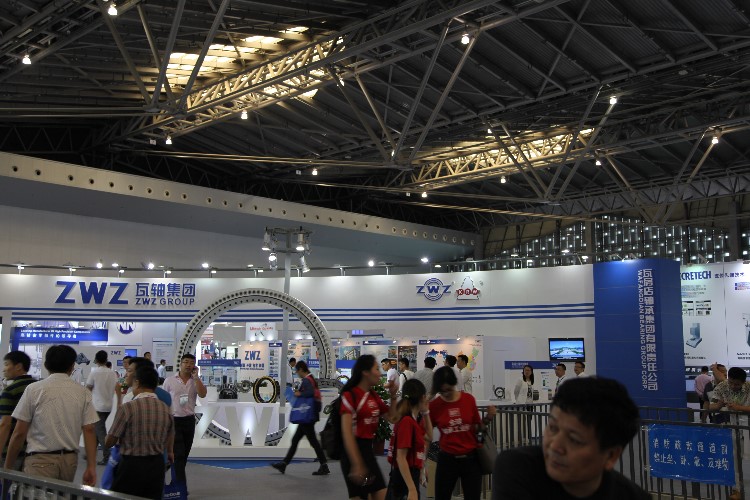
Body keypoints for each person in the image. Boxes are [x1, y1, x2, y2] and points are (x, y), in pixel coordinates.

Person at [492, 377, 650, 499]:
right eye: (553, 428)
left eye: (574, 440)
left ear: (611, 456)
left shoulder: (633, 497)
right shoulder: (516, 468)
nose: (555, 446)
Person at [4, 345, 99, 486]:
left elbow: (19, 432)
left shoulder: (34, 389)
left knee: (35, 495)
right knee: (62, 495)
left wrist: (8, 467)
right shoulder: (83, 392)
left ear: (46, 365)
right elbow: (89, 429)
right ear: (72, 366)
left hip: (39, 460)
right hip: (69, 461)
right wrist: (91, 466)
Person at [105, 365, 174, 499]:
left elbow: (109, 442)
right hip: (157, 465)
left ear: (137, 382)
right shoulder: (165, 409)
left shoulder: (127, 408)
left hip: (131, 465)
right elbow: (170, 435)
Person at [429, 366, 496, 500]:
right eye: (442, 391)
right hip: (447, 459)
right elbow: (426, 432)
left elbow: (477, 428)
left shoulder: (468, 400)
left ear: (454, 384)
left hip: (470, 458)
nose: (445, 394)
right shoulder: (435, 405)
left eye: (448, 389)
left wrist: (488, 417)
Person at [341, 355, 398, 500]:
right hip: (352, 453)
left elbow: (392, 418)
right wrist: (356, 464)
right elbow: (347, 434)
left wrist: (393, 397)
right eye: (377, 369)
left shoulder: (373, 395)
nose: (380, 373)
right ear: (366, 372)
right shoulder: (350, 395)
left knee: (381, 493)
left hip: (368, 452)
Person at [271, 361, 329, 475]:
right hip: (309, 415)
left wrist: (299, 394)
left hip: (306, 416)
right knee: (297, 440)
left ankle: (324, 465)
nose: (297, 373)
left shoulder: (307, 380)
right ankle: (284, 464)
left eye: (297, 371)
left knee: (312, 441)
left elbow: (310, 393)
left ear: (301, 369)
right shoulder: (312, 379)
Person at [162, 353, 207, 487]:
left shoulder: (195, 381)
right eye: (186, 362)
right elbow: (164, 400)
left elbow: (203, 394)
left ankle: (172, 478)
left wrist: (196, 378)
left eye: (191, 363)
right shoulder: (169, 381)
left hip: (189, 421)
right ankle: (180, 487)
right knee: (179, 454)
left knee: (184, 455)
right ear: (181, 364)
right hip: (174, 421)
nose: (188, 365)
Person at [387, 378, 432, 500]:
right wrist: (412, 489)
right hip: (404, 479)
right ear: (422, 397)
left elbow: (429, 436)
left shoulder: (413, 420)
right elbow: (401, 457)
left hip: (410, 475)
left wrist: (426, 412)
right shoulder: (407, 422)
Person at [0, 351, 35, 470]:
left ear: (19, 366)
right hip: (35, 450)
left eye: (6, 364)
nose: (4, 369)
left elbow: (5, 424)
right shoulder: (38, 387)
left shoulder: (10, 390)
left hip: (12, 450)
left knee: (8, 480)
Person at [86, 350, 122, 465]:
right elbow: (118, 387)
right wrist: (119, 402)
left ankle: (107, 456)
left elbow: (88, 388)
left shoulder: (94, 373)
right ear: (106, 359)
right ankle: (90, 453)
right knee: (97, 429)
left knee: (100, 431)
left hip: (97, 406)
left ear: (96, 360)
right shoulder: (112, 373)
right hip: (108, 406)